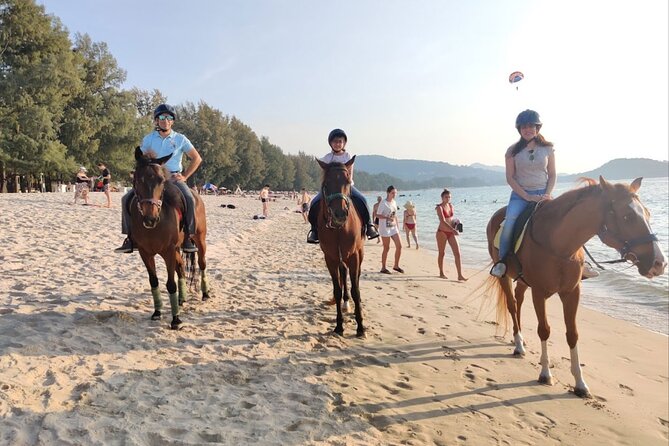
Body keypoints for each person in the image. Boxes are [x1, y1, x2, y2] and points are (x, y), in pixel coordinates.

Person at [115, 103, 202, 254]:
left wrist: (185, 176)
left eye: (168, 118)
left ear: (172, 121)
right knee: (125, 199)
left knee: (189, 198)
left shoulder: (180, 139)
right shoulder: (148, 139)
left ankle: (188, 236)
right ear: (156, 120)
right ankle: (130, 238)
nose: (165, 120)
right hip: (153, 180)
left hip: (174, 178)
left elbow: (197, 158)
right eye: (161, 117)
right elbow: (140, 160)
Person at [490, 109, 556, 278]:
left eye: (531, 126)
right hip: (521, 195)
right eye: (524, 127)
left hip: (544, 193)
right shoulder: (512, 151)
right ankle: (503, 262)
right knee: (510, 221)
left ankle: (578, 262)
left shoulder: (547, 148)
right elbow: (510, 178)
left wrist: (547, 194)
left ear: (537, 128)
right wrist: (527, 197)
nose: (528, 129)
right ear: (519, 129)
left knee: (563, 218)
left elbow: (553, 174)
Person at [306, 129, 379, 243]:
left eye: (340, 141)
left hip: (346, 186)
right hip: (330, 188)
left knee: (362, 199)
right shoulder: (327, 158)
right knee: (314, 202)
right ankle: (314, 230)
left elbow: (350, 174)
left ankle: (369, 226)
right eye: (335, 142)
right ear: (331, 143)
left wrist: (348, 181)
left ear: (344, 143)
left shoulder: (347, 156)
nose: (338, 144)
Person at [436, 189, 466, 281]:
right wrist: (453, 230)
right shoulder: (439, 208)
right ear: (442, 198)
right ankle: (441, 272)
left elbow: (451, 219)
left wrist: (457, 223)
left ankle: (460, 275)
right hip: (442, 232)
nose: (448, 199)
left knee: (457, 253)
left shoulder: (450, 205)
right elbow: (443, 221)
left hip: (451, 231)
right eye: (446, 197)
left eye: (449, 197)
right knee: (442, 253)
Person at [377, 185, 403, 274]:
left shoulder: (394, 202)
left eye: (395, 193)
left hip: (393, 227)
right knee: (386, 248)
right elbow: (378, 215)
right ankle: (383, 267)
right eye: (392, 193)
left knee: (399, 246)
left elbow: (395, 215)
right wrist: (386, 217)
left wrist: (398, 226)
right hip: (385, 228)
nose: (394, 195)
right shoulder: (383, 203)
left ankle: (396, 265)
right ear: (388, 193)